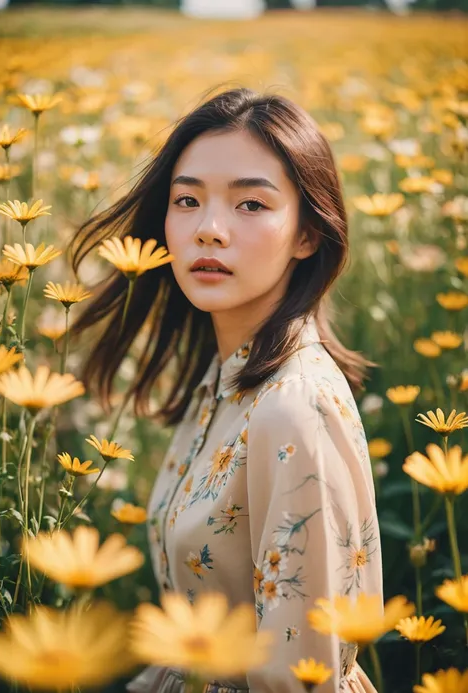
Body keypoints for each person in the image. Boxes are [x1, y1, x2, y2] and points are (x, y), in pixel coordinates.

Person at [68, 87, 383, 693]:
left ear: (308, 235)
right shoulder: (230, 377)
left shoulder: (294, 407)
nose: (209, 230)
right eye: (187, 200)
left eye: (250, 205)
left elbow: (298, 678)